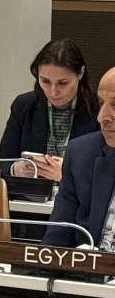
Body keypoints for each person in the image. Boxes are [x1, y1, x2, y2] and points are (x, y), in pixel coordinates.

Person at [0, 39, 100, 181]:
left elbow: (108, 170)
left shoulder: (101, 109)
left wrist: (70, 174)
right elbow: (3, 162)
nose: (53, 92)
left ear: (80, 73)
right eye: (45, 81)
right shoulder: (24, 106)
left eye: (62, 83)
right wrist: (16, 169)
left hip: (81, 195)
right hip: (33, 194)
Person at [44, 67, 115, 248]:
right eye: (101, 103)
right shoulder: (82, 153)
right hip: (89, 264)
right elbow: (56, 242)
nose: (102, 117)